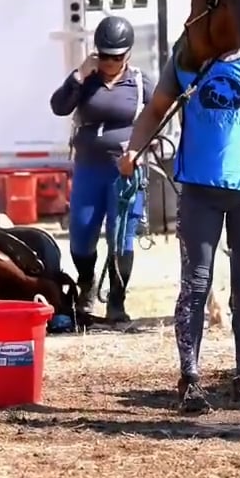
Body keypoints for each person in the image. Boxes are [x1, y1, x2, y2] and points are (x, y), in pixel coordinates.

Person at [119, 42, 240, 415]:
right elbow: (156, 108)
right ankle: (190, 379)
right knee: (196, 285)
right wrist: (133, 150)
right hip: (199, 192)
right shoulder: (187, 58)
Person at [49, 16, 154, 323]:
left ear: (128, 55)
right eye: (105, 56)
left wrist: (137, 150)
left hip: (124, 173)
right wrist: (79, 75)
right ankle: (86, 284)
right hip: (88, 169)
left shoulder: (138, 81)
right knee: (81, 235)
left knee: (121, 237)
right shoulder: (87, 80)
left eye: (117, 57)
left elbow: (160, 114)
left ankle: (117, 301)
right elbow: (58, 106)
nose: (110, 62)